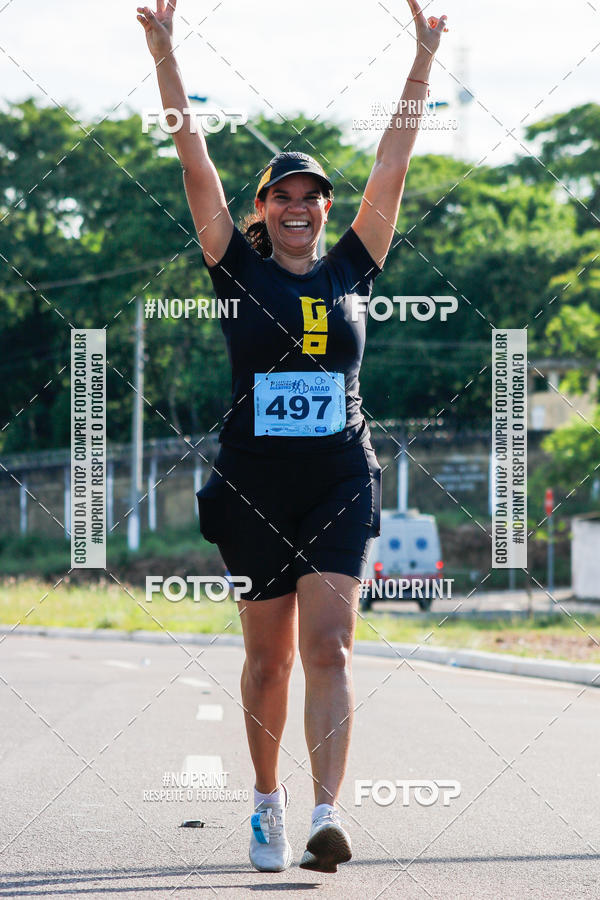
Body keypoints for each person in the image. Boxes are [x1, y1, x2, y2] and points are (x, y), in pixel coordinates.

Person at [137, 0, 447, 874]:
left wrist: (421, 60)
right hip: (253, 484)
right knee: (268, 663)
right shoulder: (233, 266)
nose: (300, 208)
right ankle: (268, 802)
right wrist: (165, 56)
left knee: (331, 648)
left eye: (313, 197)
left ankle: (325, 814)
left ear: (327, 209)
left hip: (340, 476)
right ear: (264, 209)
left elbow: (394, 161)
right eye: (284, 197)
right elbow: (192, 158)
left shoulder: (355, 265)